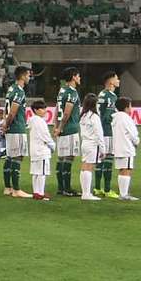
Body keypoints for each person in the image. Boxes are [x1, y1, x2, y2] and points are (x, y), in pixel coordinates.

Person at [0, 66, 32, 198]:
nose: (29, 78)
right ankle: (17, 189)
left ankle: (8, 187)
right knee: (17, 157)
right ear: (23, 76)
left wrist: (5, 124)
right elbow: (13, 111)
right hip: (16, 127)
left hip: (11, 128)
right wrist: (6, 125)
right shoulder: (19, 91)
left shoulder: (11, 89)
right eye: (28, 75)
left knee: (10, 156)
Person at [52, 67, 83, 197]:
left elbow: (56, 109)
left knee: (61, 158)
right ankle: (67, 188)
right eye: (78, 76)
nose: (80, 78)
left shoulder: (62, 91)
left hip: (62, 130)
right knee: (69, 158)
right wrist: (61, 127)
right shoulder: (72, 92)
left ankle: (61, 188)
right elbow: (67, 112)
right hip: (70, 129)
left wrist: (56, 126)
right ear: (74, 77)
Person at [94, 72, 120, 198]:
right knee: (108, 158)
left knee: (100, 160)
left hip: (100, 131)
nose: (118, 80)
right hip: (107, 131)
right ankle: (108, 189)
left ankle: (97, 187)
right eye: (116, 78)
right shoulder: (110, 96)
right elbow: (107, 117)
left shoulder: (102, 94)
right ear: (111, 81)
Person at [111, 97, 141, 201]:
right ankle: (124, 194)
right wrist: (137, 142)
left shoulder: (115, 118)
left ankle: (122, 193)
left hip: (117, 147)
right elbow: (133, 134)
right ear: (126, 107)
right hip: (126, 147)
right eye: (130, 105)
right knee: (127, 170)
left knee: (121, 170)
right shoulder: (127, 118)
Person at [28, 100, 55, 201]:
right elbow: (46, 136)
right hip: (42, 150)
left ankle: (36, 192)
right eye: (42, 109)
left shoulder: (32, 120)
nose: (44, 111)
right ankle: (40, 192)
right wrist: (52, 145)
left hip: (34, 150)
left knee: (35, 172)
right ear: (36, 110)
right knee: (42, 172)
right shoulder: (40, 121)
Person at [78, 93, 104, 202]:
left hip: (84, 142)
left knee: (84, 167)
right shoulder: (94, 117)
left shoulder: (83, 115)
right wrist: (103, 148)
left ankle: (85, 192)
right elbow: (99, 133)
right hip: (92, 144)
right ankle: (86, 193)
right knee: (89, 167)